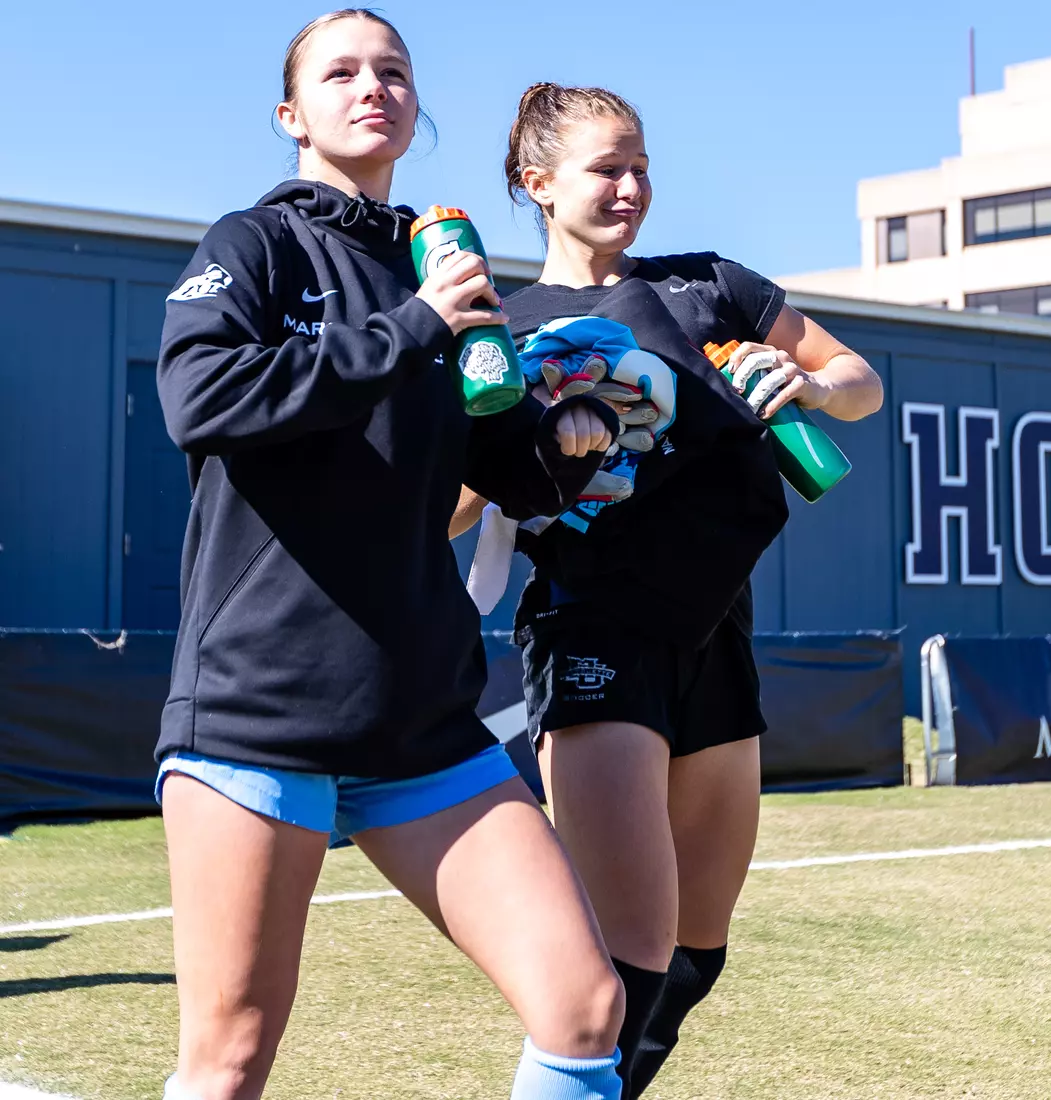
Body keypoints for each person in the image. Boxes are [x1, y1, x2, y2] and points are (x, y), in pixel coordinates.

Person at [154, 17, 628, 1100]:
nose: (373, 86)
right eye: (341, 71)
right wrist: (414, 325)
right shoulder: (255, 246)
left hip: (422, 719)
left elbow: (502, 463)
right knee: (228, 1062)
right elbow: (201, 398)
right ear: (292, 114)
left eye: (395, 72)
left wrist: (570, 438)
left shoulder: (443, 260)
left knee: (583, 1006)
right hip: (260, 710)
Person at [454, 82, 884, 1096]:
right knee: (628, 955)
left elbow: (861, 383)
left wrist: (812, 385)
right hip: (592, 626)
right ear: (538, 183)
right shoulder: (497, 328)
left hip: (715, 627)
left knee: (694, 951)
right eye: (606, 168)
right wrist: (517, 442)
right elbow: (450, 511)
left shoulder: (710, 286)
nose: (631, 187)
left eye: (641, 166)